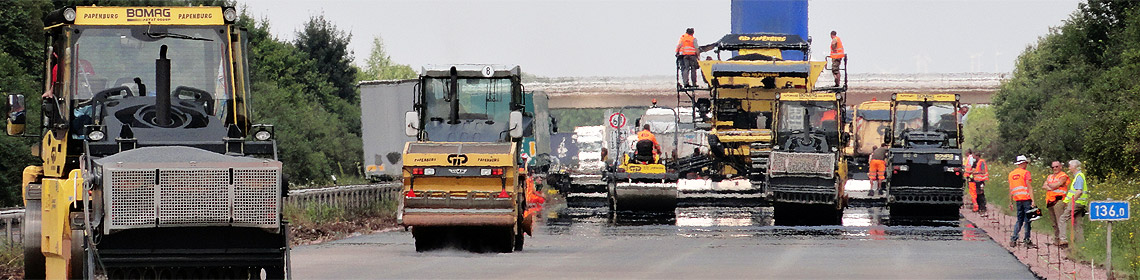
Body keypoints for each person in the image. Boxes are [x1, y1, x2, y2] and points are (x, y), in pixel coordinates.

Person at [1058, 159, 1089, 247]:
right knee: (1077, 223)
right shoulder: (1079, 176)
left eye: (1070, 166)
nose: (1069, 168)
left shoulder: (1079, 176)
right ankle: (1080, 243)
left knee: (1062, 219)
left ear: (1074, 167)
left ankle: (1063, 240)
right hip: (1081, 203)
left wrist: (1072, 201)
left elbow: (1079, 192)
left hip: (1077, 203)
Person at [1008, 155, 1035, 247]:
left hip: (1018, 200)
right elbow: (1029, 187)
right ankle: (1027, 240)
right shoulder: (1026, 173)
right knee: (1028, 220)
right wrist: (1033, 201)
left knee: (1019, 220)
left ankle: (1013, 239)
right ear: (1023, 163)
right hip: (1026, 199)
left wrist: (1010, 202)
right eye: (1026, 163)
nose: (1026, 165)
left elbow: (1011, 189)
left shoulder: (1011, 174)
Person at [1042, 161, 1070, 245]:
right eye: (1053, 167)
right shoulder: (1050, 176)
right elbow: (1044, 186)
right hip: (1050, 201)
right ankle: (1056, 239)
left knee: (1060, 220)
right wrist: (1052, 186)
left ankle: (1063, 239)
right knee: (1054, 222)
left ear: (1060, 166)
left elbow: (1056, 185)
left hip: (1059, 200)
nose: (1054, 168)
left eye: (1056, 166)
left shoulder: (1063, 176)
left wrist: (1049, 185)